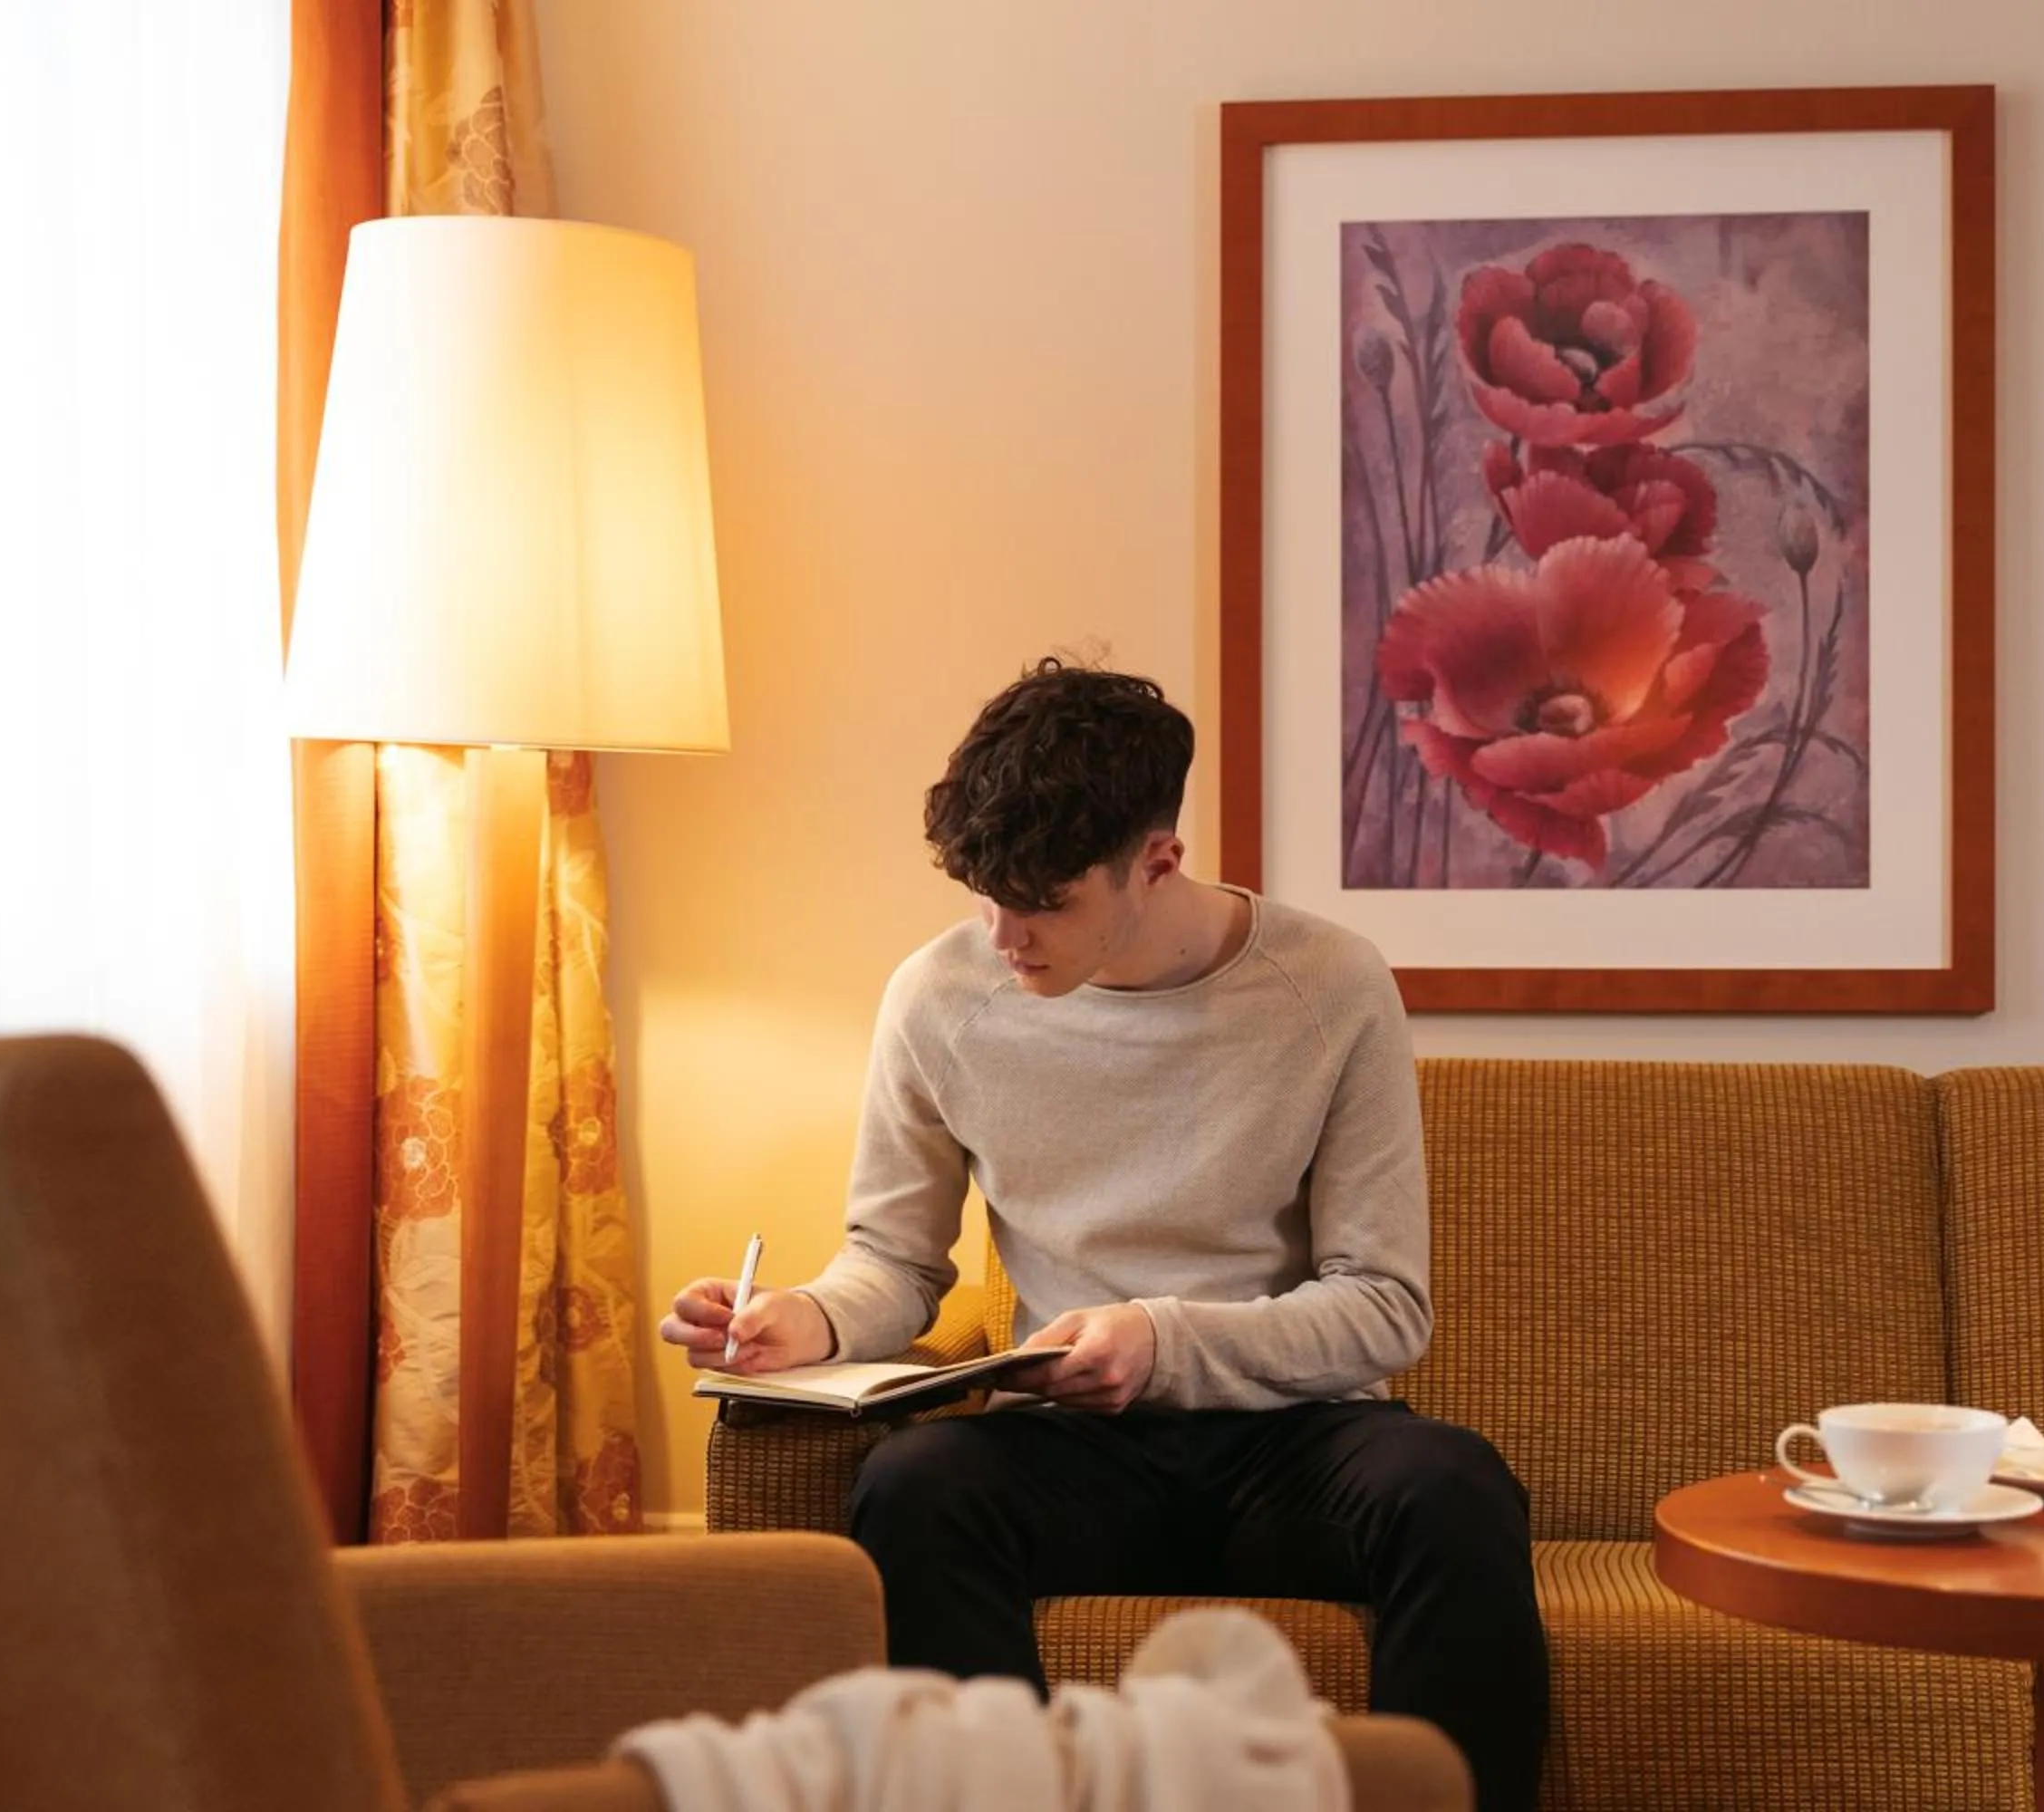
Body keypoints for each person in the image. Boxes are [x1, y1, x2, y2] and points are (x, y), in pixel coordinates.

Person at [660, 660, 1547, 1812]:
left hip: (1293, 1438)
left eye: (1044, 901)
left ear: (1157, 859)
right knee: (914, 1485)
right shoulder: (938, 995)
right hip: (1071, 1447)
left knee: (1455, 1487)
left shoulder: (1331, 986)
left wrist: (1160, 1338)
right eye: (985, 895)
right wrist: (807, 1319)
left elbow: (1384, 1303)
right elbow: (897, 1260)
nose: (1004, 935)